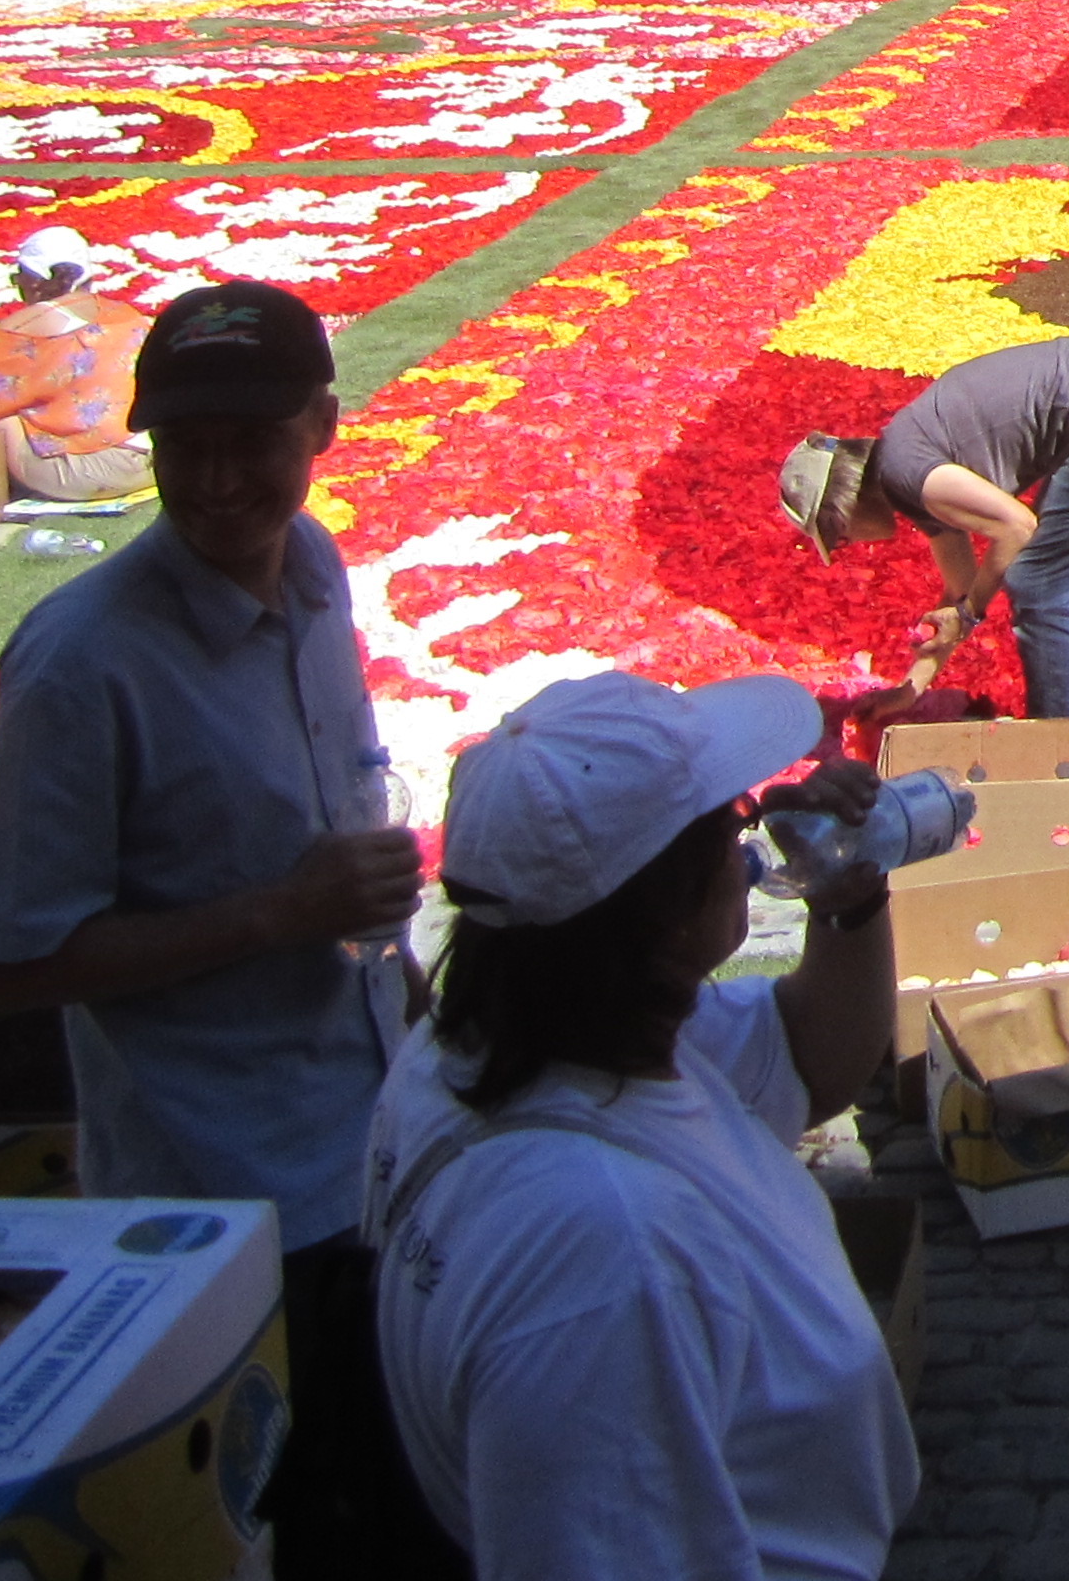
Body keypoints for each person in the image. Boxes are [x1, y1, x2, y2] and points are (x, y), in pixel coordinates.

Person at [0, 280, 433, 1579]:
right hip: (228, 1205)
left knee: (403, 1516)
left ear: (322, 425)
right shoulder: (81, 663)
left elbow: (342, 833)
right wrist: (285, 912)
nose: (216, 482)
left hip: (374, 1147)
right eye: (183, 450)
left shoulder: (317, 573)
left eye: (251, 444)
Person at [369, 669, 912, 1580]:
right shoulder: (606, 1255)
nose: (749, 832)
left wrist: (844, 893)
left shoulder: (479, 1045)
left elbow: (814, 1060)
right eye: (728, 828)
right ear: (669, 915)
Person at [776, 333, 1069, 719]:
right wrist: (910, 688)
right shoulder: (901, 473)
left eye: (839, 535)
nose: (850, 542)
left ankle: (1058, 739)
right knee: (1055, 572)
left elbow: (1016, 526)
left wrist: (971, 613)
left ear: (844, 503)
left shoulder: (905, 474)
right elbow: (958, 593)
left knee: (1039, 580)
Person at [0, 226, 155, 503]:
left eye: (18, 277)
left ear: (36, 282)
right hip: (154, 461)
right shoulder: (124, 315)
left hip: (84, 475)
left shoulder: (26, 333)